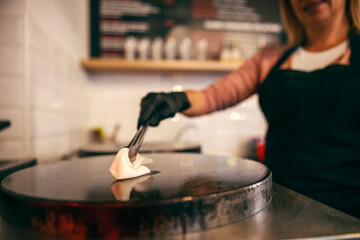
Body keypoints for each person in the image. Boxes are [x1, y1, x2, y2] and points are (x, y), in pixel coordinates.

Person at [137, 0, 360, 219]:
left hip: (348, 210)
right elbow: (213, 96)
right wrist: (177, 100)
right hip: (281, 205)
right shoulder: (269, 59)